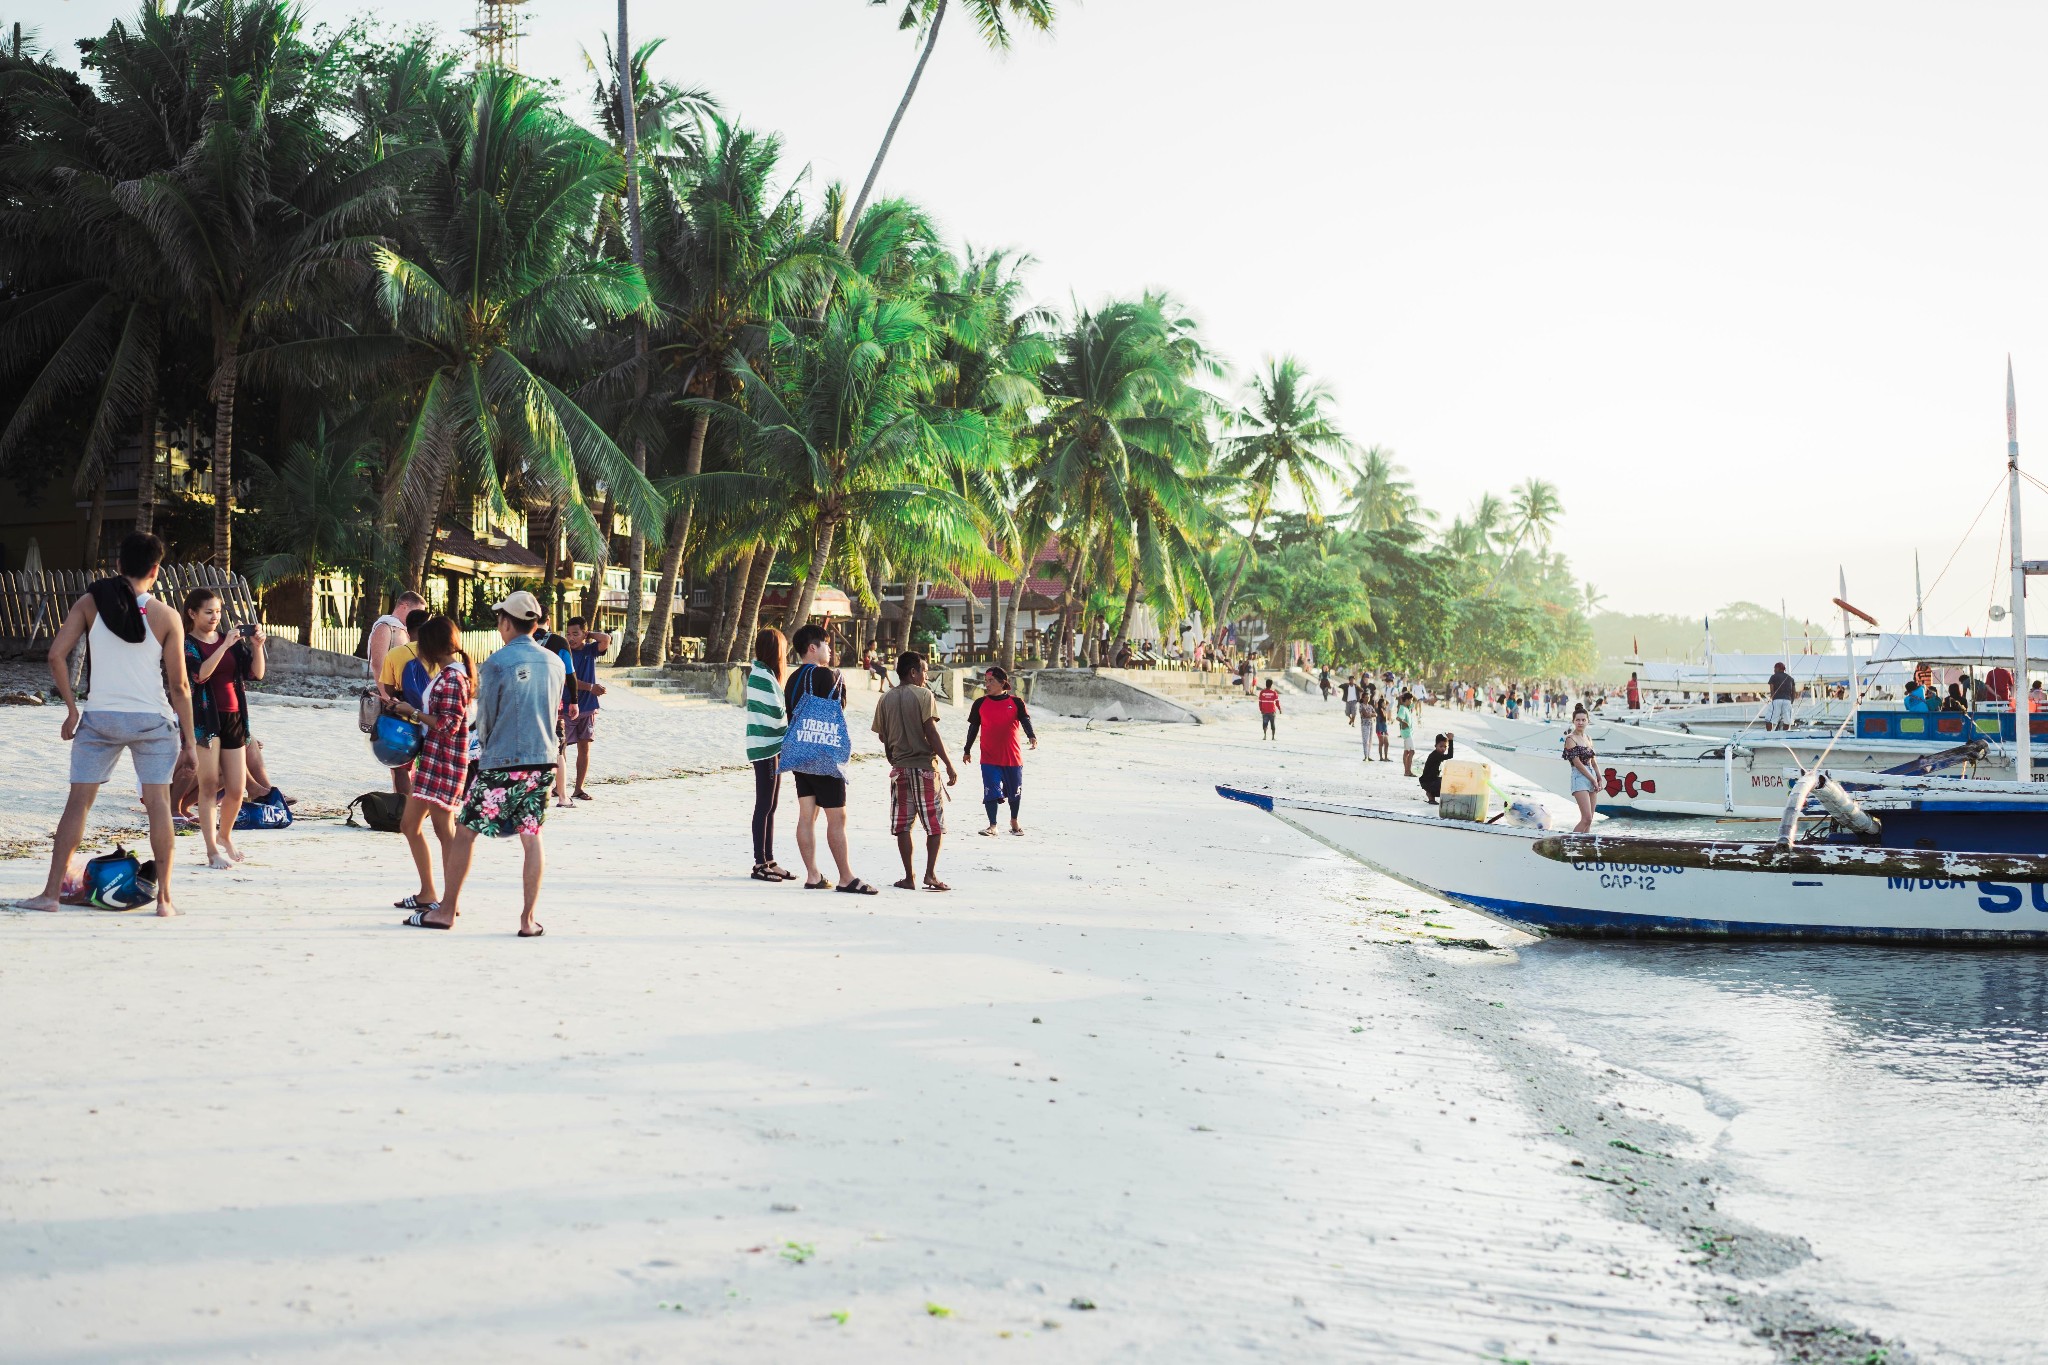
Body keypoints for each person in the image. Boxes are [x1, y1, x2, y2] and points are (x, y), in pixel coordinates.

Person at [18, 532, 198, 916]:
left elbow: (55, 656)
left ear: (118, 566)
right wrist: (191, 742)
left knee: (78, 804)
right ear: (155, 570)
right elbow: (180, 685)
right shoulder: (167, 615)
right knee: (159, 806)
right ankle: (164, 901)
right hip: (153, 721)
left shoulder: (90, 603)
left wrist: (71, 708)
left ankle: (50, 895)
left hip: (99, 719)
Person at [407, 591, 562, 936]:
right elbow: (554, 713)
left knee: (464, 832)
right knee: (531, 836)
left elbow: (486, 720)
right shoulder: (556, 662)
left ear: (506, 622)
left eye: (499, 620)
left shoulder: (495, 664)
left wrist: (489, 754)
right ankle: (528, 920)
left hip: (503, 761)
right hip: (544, 760)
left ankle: (446, 911)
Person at [786, 624, 877, 895]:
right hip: (825, 755)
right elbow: (839, 708)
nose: (830, 650)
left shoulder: (791, 679)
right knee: (837, 818)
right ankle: (846, 877)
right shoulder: (829, 676)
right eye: (826, 645)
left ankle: (813, 874)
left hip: (799, 753)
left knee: (806, 816)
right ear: (812, 648)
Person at [390, 616, 473, 913]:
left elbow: (449, 725)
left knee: (443, 829)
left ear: (432, 645)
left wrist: (412, 713)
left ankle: (450, 901)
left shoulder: (452, 678)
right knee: (410, 825)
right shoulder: (448, 674)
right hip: (433, 759)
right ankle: (428, 892)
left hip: (445, 760)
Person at [183, 588, 266, 869]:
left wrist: (256, 646)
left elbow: (256, 673)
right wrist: (223, 646)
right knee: (208, 786)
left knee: (236, 789)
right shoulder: (188, 644)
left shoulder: (227, 640)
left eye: (218, 611)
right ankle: (211, 851)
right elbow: (201, 674)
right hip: (206, 721)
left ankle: (225, 835)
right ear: (192, 614)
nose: (215, 617)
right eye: (208, 612)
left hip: (234, 718)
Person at [873, 651, 959, 891]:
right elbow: (930, 731)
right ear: (913, 672)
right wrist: (949, 763)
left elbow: (883, 736)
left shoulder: (885, 699)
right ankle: (930, 874)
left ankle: (909, 877)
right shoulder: (924, 695)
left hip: (899, 769)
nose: (926, 675)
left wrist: (893, 757)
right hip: (925, 768)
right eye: (924, 670)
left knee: (903, 825)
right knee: (934, 824)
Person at [963, 665, 1037, 836]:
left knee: (1014, 793)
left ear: (1002, 683)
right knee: (990, 791)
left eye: (991, 681)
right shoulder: (980, 703)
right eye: (985, 681)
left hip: (1012, 757)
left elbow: (1025, 720)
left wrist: (1031, 736)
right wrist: (967, 749)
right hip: (989, 757)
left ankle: (1014, 821)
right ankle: (992, 826)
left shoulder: (1016, 702)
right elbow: (973, 728)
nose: (986, 685)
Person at [746, 627, 795, 882]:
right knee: (764, 804)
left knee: (771, 805)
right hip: (765, 747)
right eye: (782, 648)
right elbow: (776, 713)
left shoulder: (766, 675)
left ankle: (769, 859)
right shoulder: (761, 676)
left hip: (771, 745)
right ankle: (759, 863)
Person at [369, 591, 426, 797]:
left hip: (409, 700)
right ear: (403, 607)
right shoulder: (385, 627)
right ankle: (402, 805)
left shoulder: (400, 629)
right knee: (398, 756)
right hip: (394, 700)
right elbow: (378, 665)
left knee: (409, 757)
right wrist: (388, 698)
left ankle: (406, 804)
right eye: (416, 613)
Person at [530, 613, 578, 810]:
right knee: (558, 748)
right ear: (548, 620)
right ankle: (563, 797)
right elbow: (570, 673)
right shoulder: (559, 642)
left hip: (527, 702)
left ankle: (538, 794)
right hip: (552, 703)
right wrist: (574, 701)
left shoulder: (523, 642)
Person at [562, 617, 610, 801]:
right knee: (561, 747)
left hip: (588, 707)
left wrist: (588, 634)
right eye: (568, 633)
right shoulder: (565, 652)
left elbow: (605, 639)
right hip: (567, 705)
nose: (571, 638)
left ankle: (578, 789)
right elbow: (568, 679)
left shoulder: (590, 650)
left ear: (584, 634)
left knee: (584, 748)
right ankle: (560, 787)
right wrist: (591, 687)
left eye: (575, 634)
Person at [1563, 707, 1600, 833]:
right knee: (1586, 818)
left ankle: (1585, 848)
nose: (1580, 722)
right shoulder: (1570, 739)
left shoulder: (1588, 738)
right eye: (1577, 720)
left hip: (1591, 775)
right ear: (1573, 721)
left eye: (1583, 720)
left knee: (1590, 820)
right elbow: (1577, 763)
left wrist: (1599, 777)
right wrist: (1593, 779)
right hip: (1579, 777)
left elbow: (1593, 761)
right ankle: (1570, 844)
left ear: (1587, 721)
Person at [1419, 732, 1455, 803]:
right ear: (1435, 746)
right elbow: (1450, 755)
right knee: (1446, 787)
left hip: (1429, 780)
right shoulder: (1435, 755)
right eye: (1441, 746)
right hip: (1428, 782)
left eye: (1445, 747)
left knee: (1446, 781)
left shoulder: (1437, 754)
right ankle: (1430, 792)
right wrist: (1450, 740)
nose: (1443, 749)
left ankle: (1431, 797)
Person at [1397, 689, 1418, 777]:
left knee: (1406, 752)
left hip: (1408, 732)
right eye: (1410, 700)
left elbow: (1416, 700)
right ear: (1407, 700)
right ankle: (1408, 771)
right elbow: (1398, 718)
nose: (1412, 702)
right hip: (1407, 733)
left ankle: (1407, 771)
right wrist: (1404, 722)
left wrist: (1408, 695)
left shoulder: (1407, 708)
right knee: (1412, 751)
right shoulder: (1402, 708)